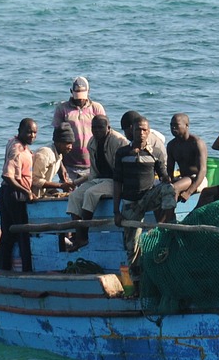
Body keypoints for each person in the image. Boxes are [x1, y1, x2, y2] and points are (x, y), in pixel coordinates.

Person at [113, 115, 178, 269]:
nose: (141, 133)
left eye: (144, 130)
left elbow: (164, 178)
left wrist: (172, 180)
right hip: (130, 203)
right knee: (132, 247)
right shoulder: (122, 153)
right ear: (131, 131)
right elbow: (117, 182)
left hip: (148, 197)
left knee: (169, 189)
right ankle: (136, 282)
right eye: (138, 130)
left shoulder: (155, 152)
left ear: (149, 132)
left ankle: (166, 225)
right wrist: (116, 211)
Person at [65, 114, 127, 250]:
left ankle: (83, 236)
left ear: (108, 128)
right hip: (99, 178)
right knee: (75, 196)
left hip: (116, 180)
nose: (96, 130)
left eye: (100, 127)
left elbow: (122, 172)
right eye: (94, 127)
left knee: (91, 193)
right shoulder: (92, 142)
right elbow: (93, 169)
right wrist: (80, 183)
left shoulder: (118, 141)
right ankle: (78, 233)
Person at [0, 118, 37, 271]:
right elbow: (7, 176)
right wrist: (26, 191)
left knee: (9, 233)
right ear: (19, 131)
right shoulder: (17, 149)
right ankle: (27, 269)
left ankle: (3, 267)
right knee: (22, 232)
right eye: (28, 132)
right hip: (14, 193)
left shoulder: (17, 143)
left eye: (34, 132)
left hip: (8, 192)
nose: (31, 135)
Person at [52, 76, 107, 184]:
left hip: (92, 164)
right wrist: (60, 166)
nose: (80, 100)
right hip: (69, 165)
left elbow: (105, 136)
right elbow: (57, 140)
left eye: (82, 96)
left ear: (88, 91)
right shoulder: (62, 109)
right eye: (77, 96)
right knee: (70, 195)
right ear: (71, 92)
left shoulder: (96, 108)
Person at [166, 113, 208, 203]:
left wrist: (189, 192)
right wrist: (166, 183)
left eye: (176, 125)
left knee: (173, 189)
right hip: (183, 178)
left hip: (198, 179)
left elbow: (203, 170)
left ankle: (169, 216)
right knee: (163, 191)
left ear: (186, 125)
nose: (173, 128)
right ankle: (168, 216)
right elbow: (169, 170)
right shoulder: (171, 145)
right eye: (171, 125)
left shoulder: (196, 143)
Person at [31, 124, 77, 198]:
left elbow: (46, 180)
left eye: (71, 143)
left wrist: (57, 193)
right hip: (32, 196)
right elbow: (35, 180)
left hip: (42, 193)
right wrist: (61, 186)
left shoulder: (59, 155)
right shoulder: (45, 154)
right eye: (67, 143)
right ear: (58, 143)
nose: (70, 147)